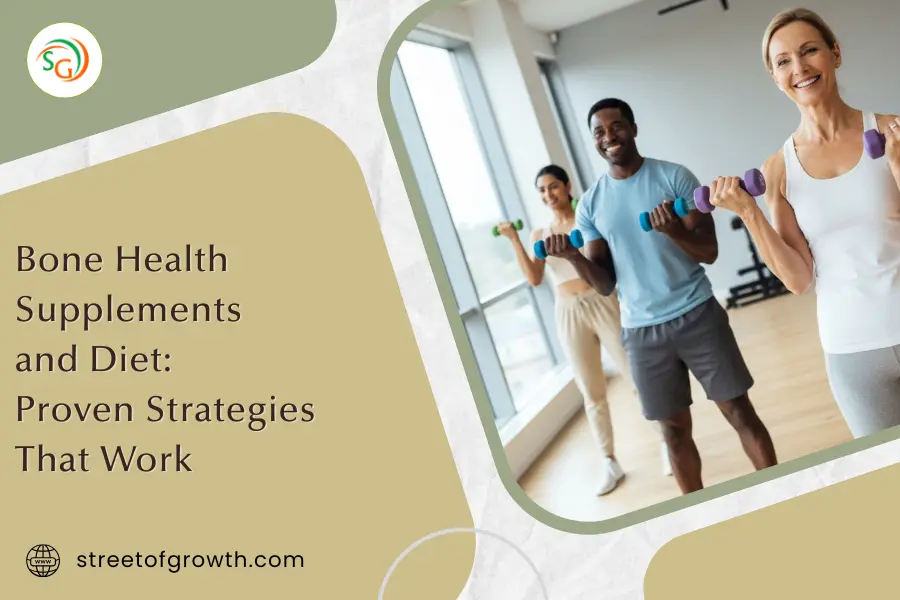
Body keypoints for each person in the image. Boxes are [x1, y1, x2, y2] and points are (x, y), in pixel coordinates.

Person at [540, 98, 778, 494]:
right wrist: (572, 257)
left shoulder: (674, 178)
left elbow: (709, 252)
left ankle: (778, 489)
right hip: (641, 332)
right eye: (598, 132)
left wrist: (675, 231)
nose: (608, 137)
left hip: (698, 314)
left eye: (615, 126)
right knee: (673, 433)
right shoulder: (592, 204)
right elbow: (604, 283)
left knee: (739, 411)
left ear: (633, 128)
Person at [707, 8, 900, 439]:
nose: (800, 67)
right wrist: (749, 213)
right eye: (784, 61)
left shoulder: (892, 131)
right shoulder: (777, 170)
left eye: (810, 50)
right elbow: (798, 278)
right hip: (853, 351)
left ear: (835, 53)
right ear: (774, 77)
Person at [496, 165, 670, 496]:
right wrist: (515, 240)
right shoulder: (540, 234)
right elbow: (534, 278)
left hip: (602, 302)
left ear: (567, 185)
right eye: (543, 191)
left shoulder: (588, 219)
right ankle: (609, 461)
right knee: (592, 393)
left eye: (553, 187)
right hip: (568, 312)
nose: (549, 195)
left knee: (636, 378)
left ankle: (667, 442)